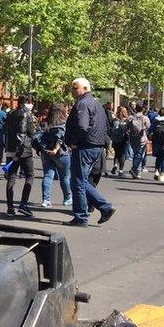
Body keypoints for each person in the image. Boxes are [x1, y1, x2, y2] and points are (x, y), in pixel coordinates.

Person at [65, 78, 116, 227]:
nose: (72, 90)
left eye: (74, 88)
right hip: (96, 147)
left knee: (78, 182)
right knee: (82, 181)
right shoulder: (96, 104)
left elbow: (82, 126)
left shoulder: (83, 104)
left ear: (84, 88)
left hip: (85, 147)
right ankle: (104, 208)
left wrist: (74, 142)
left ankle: (82, 217)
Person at [3, 95, 36, 217]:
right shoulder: (26, 114)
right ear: (27, 102)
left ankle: (10, 207)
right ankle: (23, 204)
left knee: (11, 177)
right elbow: (25, 133)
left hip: (11, 148)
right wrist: (19, 152)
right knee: (30, 176)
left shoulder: (11, 113)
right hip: (23, 150)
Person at [41, 103, 72, 207]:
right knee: (65, 177)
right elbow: (60, 138)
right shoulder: (64, 123)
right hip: (62, 153)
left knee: (48, 176)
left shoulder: (46, 122)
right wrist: (56, 149)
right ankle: (67, 198)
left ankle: (46, 199)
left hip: (46, 153)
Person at [127, 104, 151, 178]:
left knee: (135, 153)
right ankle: (135, 169)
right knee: (140, 154)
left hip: (133, 137)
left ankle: (136, 172)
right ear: (142, 109)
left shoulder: (131, 117)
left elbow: (127, 126)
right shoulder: (144, 118)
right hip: (141, 138)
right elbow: (148, 126)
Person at [150, 108, 164, 181]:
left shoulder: (155, 120)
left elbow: (150, 129)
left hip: (156, 141)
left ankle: (156, 171)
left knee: (158, 156)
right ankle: (162, 174)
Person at [109, 106, 130, 177]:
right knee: (123, 154)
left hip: (115, 139)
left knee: (116, 153)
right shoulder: (127, 120)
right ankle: (121, 170)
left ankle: (115, 165)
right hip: (123, 139)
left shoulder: (115, 120)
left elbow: (110, 128)